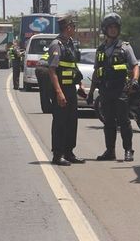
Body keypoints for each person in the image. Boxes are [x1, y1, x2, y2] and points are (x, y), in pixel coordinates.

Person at [87, 12, 139, 162]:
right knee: (108, 122)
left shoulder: (125, 47)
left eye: (115, 27)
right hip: (105, 91)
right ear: (105, 29)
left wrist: (135, 80)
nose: (113, 30)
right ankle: (110, 151)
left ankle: (128, 150)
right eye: (110, 27)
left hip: (121, 90)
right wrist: (91, 93)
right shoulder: (100, 50)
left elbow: (135, 65)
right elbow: (96, 72)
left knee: (124, 121)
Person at [48, 15, 86, 166]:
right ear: (68, 27)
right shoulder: (56, 45)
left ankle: (69, 153)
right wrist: (59, 92)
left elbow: (72, 67)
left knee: (72, 122)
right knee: (60, 123)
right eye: (73, 26)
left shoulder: (69, 43)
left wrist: (80, 84)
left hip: (70, 88)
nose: (75, 29)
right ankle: (58, 155)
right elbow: (52, 70)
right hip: (61, 89)